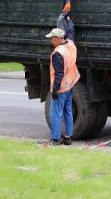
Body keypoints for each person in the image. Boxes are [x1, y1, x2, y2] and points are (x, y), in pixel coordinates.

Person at [45, 16, 80, 146]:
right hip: (71, 83)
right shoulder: (70, 44)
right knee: (68, 110)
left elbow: (59, 74)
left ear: (59, 39)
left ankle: (55, 139)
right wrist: (69, 19)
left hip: (62, 87)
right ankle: (68, 137)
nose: (51, 40)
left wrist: (55, 89)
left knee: (55, 112)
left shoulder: (57, 53)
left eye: (53, 38)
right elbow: (71, 31)